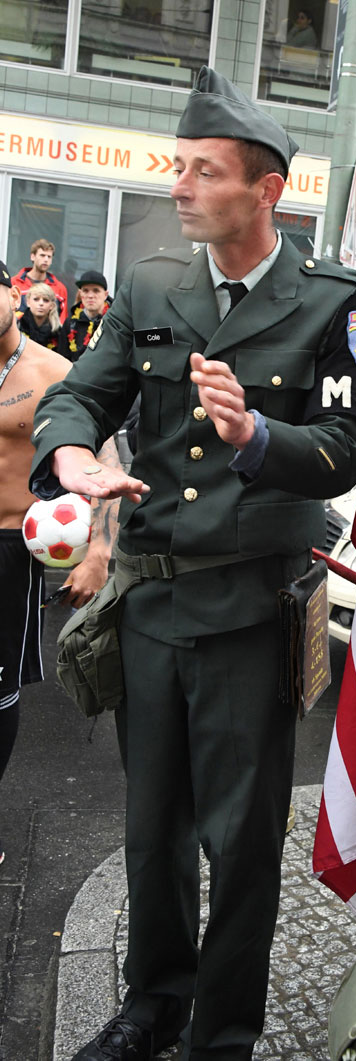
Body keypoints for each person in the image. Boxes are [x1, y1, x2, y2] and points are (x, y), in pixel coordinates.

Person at [30, 66, 356, 1061]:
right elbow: (82, 393)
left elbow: (346, 450)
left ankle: (222, 1034)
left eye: (203, 170)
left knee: (242, 839)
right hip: (150, 608)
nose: (178, 186)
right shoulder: (151, 283)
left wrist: (257, 433)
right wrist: (74, 456)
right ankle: (155, 1002)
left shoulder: (330, 302)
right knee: (154, 826)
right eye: (177, 165)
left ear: (266, 189)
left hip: (250, 616)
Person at [0, 264, 117, 866]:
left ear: (14, 294)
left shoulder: (53, 372)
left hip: (8, 547)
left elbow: (105, 458)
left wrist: (99, 551)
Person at [59, 268, 112, 360]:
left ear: (105, 295)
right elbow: (62, 358)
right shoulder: (70, 323)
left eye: (96, 291)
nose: (90, 296)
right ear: (80, 294)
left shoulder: (114, 322)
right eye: (86, 291)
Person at [13, 238, 68, 317]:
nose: (46, 259)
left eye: (49, 257)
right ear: (32, 256)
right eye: (42, 255)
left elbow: (62, 320)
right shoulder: (14, 283)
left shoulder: (60, 289)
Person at [17, 280, 61, 350]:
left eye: (46, 300)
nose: (41, 303)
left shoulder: (58, 332)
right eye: (36, 299)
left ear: (52, 305)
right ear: (28, 302)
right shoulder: (17, 323)